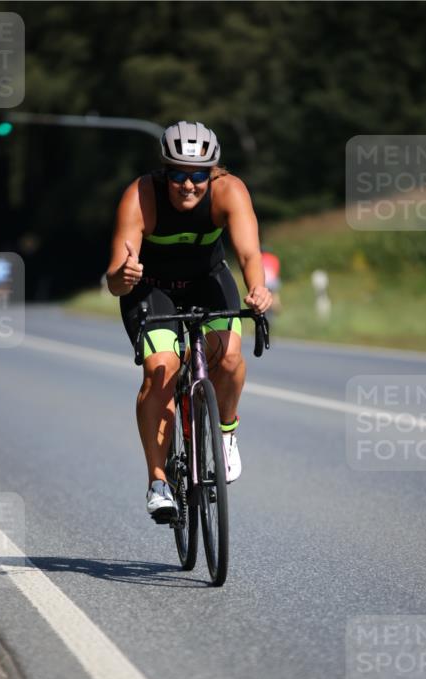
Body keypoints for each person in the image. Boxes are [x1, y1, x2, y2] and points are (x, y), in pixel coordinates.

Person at [106, 120, 273, 521]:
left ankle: (226, 433)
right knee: (161, 369)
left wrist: (258, 289)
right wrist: (121, 277)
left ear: (213, 173)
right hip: (150, 288)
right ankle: (159, 482)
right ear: (165, 171)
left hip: (208, 282)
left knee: (229, 358)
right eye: (178, 174)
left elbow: (249, 254)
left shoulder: (230, 191)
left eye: (198, 175)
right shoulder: (140, 195)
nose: (187, 184)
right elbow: (114, 279)